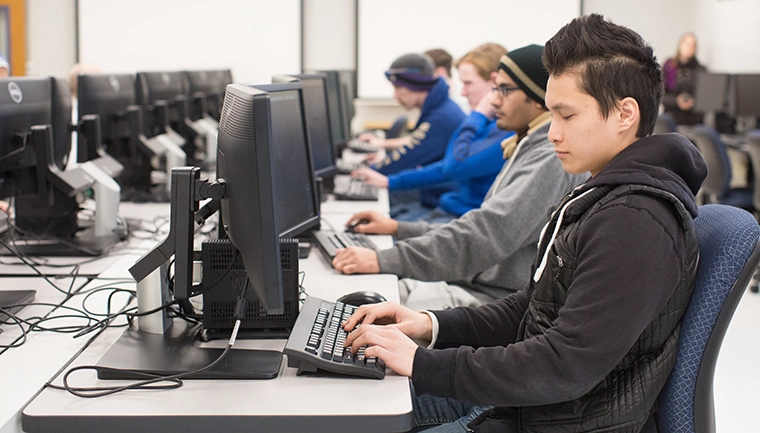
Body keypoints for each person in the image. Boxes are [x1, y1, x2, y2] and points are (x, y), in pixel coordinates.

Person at [341, 14, 707, 433]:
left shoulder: (635, 221)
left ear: (624, 113)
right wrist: (430, 324)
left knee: (347, 411)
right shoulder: (603, 194)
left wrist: (424, 364)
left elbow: (563, 363)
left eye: (566, 116)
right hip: (528, 408)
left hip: (553, 420)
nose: (552, 134)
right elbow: (531, 307)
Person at [334, 44, 586, 310]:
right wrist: (398, 229)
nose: (494, 100)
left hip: (494, 300)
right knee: (358, 296)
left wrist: (383, 260)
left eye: (504, 90)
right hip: (476, 278)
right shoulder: (524, 142)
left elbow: (486, 231)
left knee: (362, 308)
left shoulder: (549, 157)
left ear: (539, 98)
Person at [352, 43, 513, 223]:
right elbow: (444, 166)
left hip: (461, 219)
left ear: (494, 82)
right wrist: (390, 182)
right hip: (448, 210)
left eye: (468, 83)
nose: (462, 92)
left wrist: (477, 115)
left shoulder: (502, 130)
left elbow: (453, 166)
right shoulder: (485, 123)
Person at [360, 52, 465, 209]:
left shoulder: (441, 117)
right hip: (433, 197)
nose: (394, 95)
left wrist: (366, 170)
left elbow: (406, 160)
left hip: (438, 204)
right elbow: (414, 150)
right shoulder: (439, 108)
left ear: (415, 85)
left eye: (398, 87)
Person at [662, 32, 705, 126]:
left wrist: (693, 102)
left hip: (693, 119)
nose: (690, 47)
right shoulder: (669, 67)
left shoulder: (700, 70)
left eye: (693, 45)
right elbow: (660, 93)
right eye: (687, 44)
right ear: (680, 45)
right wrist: (676, 101)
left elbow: (705, 96)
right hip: (672, 116)